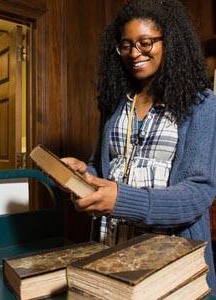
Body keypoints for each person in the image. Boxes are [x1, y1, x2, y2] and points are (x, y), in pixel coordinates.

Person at [62, 0, 216, 295]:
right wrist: (86, 172)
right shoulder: (116, 104)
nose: (135, 54)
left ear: (170, 42)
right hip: (110, 245)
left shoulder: (202, 104)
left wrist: (122, 200)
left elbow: (198, 193)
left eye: (146, 43)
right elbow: (105, 165)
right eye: (126, 45)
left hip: (170, 257)